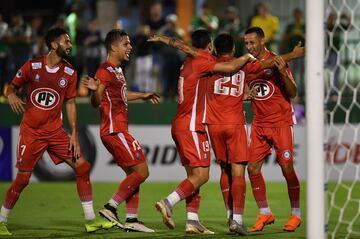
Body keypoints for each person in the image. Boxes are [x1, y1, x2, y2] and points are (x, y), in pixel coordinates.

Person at [0, 27, 116, 236]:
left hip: (55, 133)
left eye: (70, 42)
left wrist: (73, 133)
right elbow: (11, 87)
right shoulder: (32, 66)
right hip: (32, 132)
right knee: (23, 179)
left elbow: (70, 103)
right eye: (66, 42)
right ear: (54, 45)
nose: (70, 45)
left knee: (82, 167)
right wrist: (10, 95)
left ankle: (90, 220)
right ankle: (1, 220)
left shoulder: (70, 72)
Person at [149, 29, 255, 234]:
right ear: (208, 47)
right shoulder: (204, 61)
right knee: (203, 175)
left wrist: (165, 39)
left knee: (193, 175)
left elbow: (185, 48)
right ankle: (168, 202)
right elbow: (232, 65)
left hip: (180, 123)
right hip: (192, 125)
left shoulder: (188, 62)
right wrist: (247, 56)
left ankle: (192, 220)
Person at [81, 29, 160, 233]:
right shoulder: (104, 71)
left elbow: (121, 95)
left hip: (117, 129)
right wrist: (95, 90)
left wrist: (143, 95)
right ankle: (110, 207)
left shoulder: (117, 70)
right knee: (142, 171)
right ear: (113, 47)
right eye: (126, 44)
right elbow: (95, 102)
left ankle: (132, 219)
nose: (130, 47)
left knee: (133, 175)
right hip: (115, 130)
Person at [243, 27, 301, 232]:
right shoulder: (248, 63)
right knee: (252, 168)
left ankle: (296, 214)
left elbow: (293, 92)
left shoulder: (276, 60)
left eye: (252, 42)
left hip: (281, 123)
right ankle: (265, 213)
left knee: (287, 169)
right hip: (259, 124)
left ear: (262, 41)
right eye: (246, 43)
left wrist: (283, 71)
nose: (249, 46)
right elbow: (249, 85)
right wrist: (246, 93)